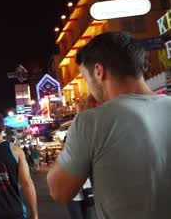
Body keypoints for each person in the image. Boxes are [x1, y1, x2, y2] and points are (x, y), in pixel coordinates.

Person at [47, 31, 171, 218]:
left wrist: (77, 126)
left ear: (98, 71)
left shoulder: (91, 121)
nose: (89, 87)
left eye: (86, 80)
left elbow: (59, 191)